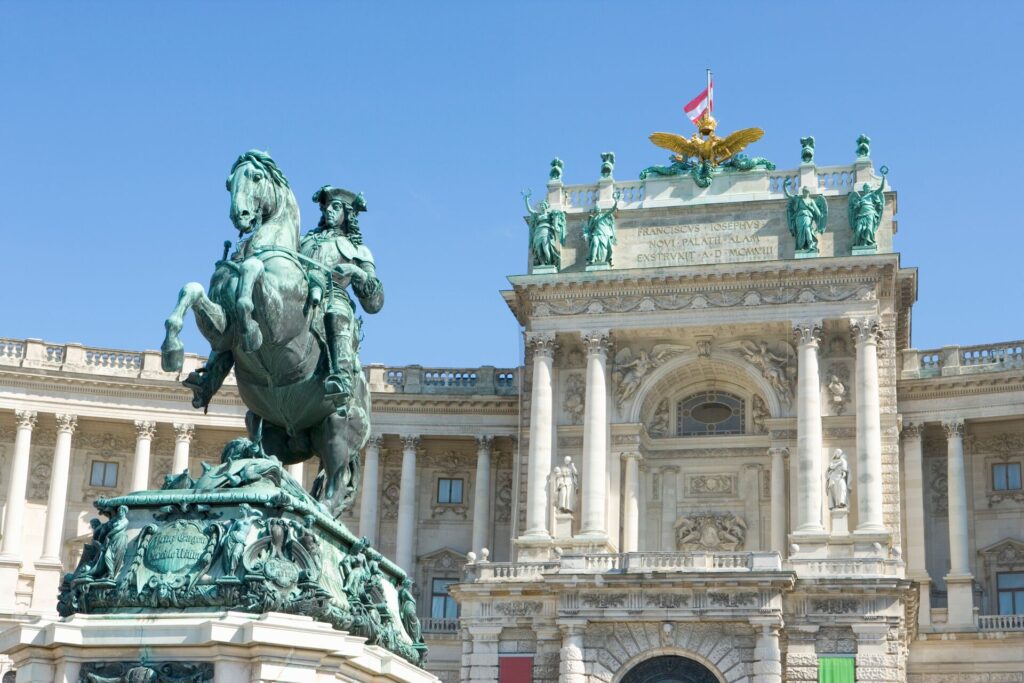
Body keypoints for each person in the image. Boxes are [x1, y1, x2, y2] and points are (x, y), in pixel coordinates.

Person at [300, 186, 384, 414]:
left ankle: (342, 378)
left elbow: (375, 303)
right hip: (299, 296)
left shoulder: (358, 250)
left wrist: (355, 271)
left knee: (336, 313)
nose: (329, 210)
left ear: (347, 213)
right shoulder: (303, 242)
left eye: (335, 206)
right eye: (326, 206)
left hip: (333, 297)